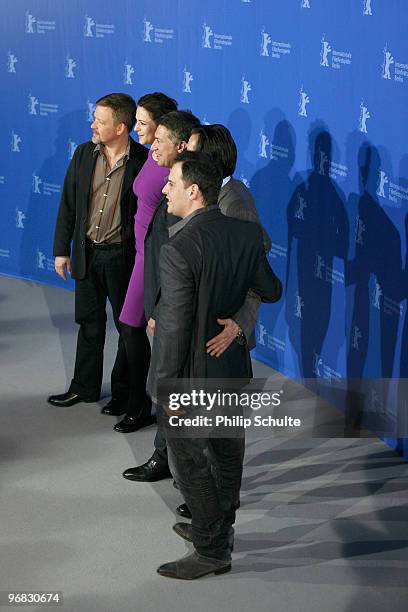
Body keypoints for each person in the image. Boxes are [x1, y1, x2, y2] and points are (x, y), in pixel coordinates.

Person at [151, 151, 282, 579]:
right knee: (227, 454)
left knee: (189, 462)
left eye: (171, 182)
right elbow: (272, 289)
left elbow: (172, 329)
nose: (164, 189)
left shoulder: (178, 248)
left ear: (194, 191)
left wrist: (164, 388)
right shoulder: (246, 235)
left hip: (192, 377)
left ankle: (211, 549)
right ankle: (218, 531)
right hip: (231, 368)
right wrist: (237, 323)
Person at [122, 123, 271, 498]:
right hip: (185, 320)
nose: (186, 149)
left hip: (214, 337)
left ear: (211, 160)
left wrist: (239, 325)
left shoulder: (234, 200)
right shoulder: (187, 191)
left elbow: (257, 266)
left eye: (194, 147)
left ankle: (210, 510)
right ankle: (180, 473)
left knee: (213, 432)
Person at [48, 93, 147, 410]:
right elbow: (68, 204)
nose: (93, 124)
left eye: (100, 121)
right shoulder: (82, 154)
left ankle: (122, 395)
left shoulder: (143, 161)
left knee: (126, 329)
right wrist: (62, 250)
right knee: (89, 323)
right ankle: (84, 388)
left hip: (122, 258)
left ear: (120, 127)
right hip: (87, 253)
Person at [108, 93, 178, 433]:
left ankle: (141, 406)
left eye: (143, 123)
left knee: (132, 327)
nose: (136, 129)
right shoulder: (151, 154)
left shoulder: (169, 161)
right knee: (129, 328)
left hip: (152, 256)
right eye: (135, 121)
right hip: (138, 251)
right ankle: (132, 400)